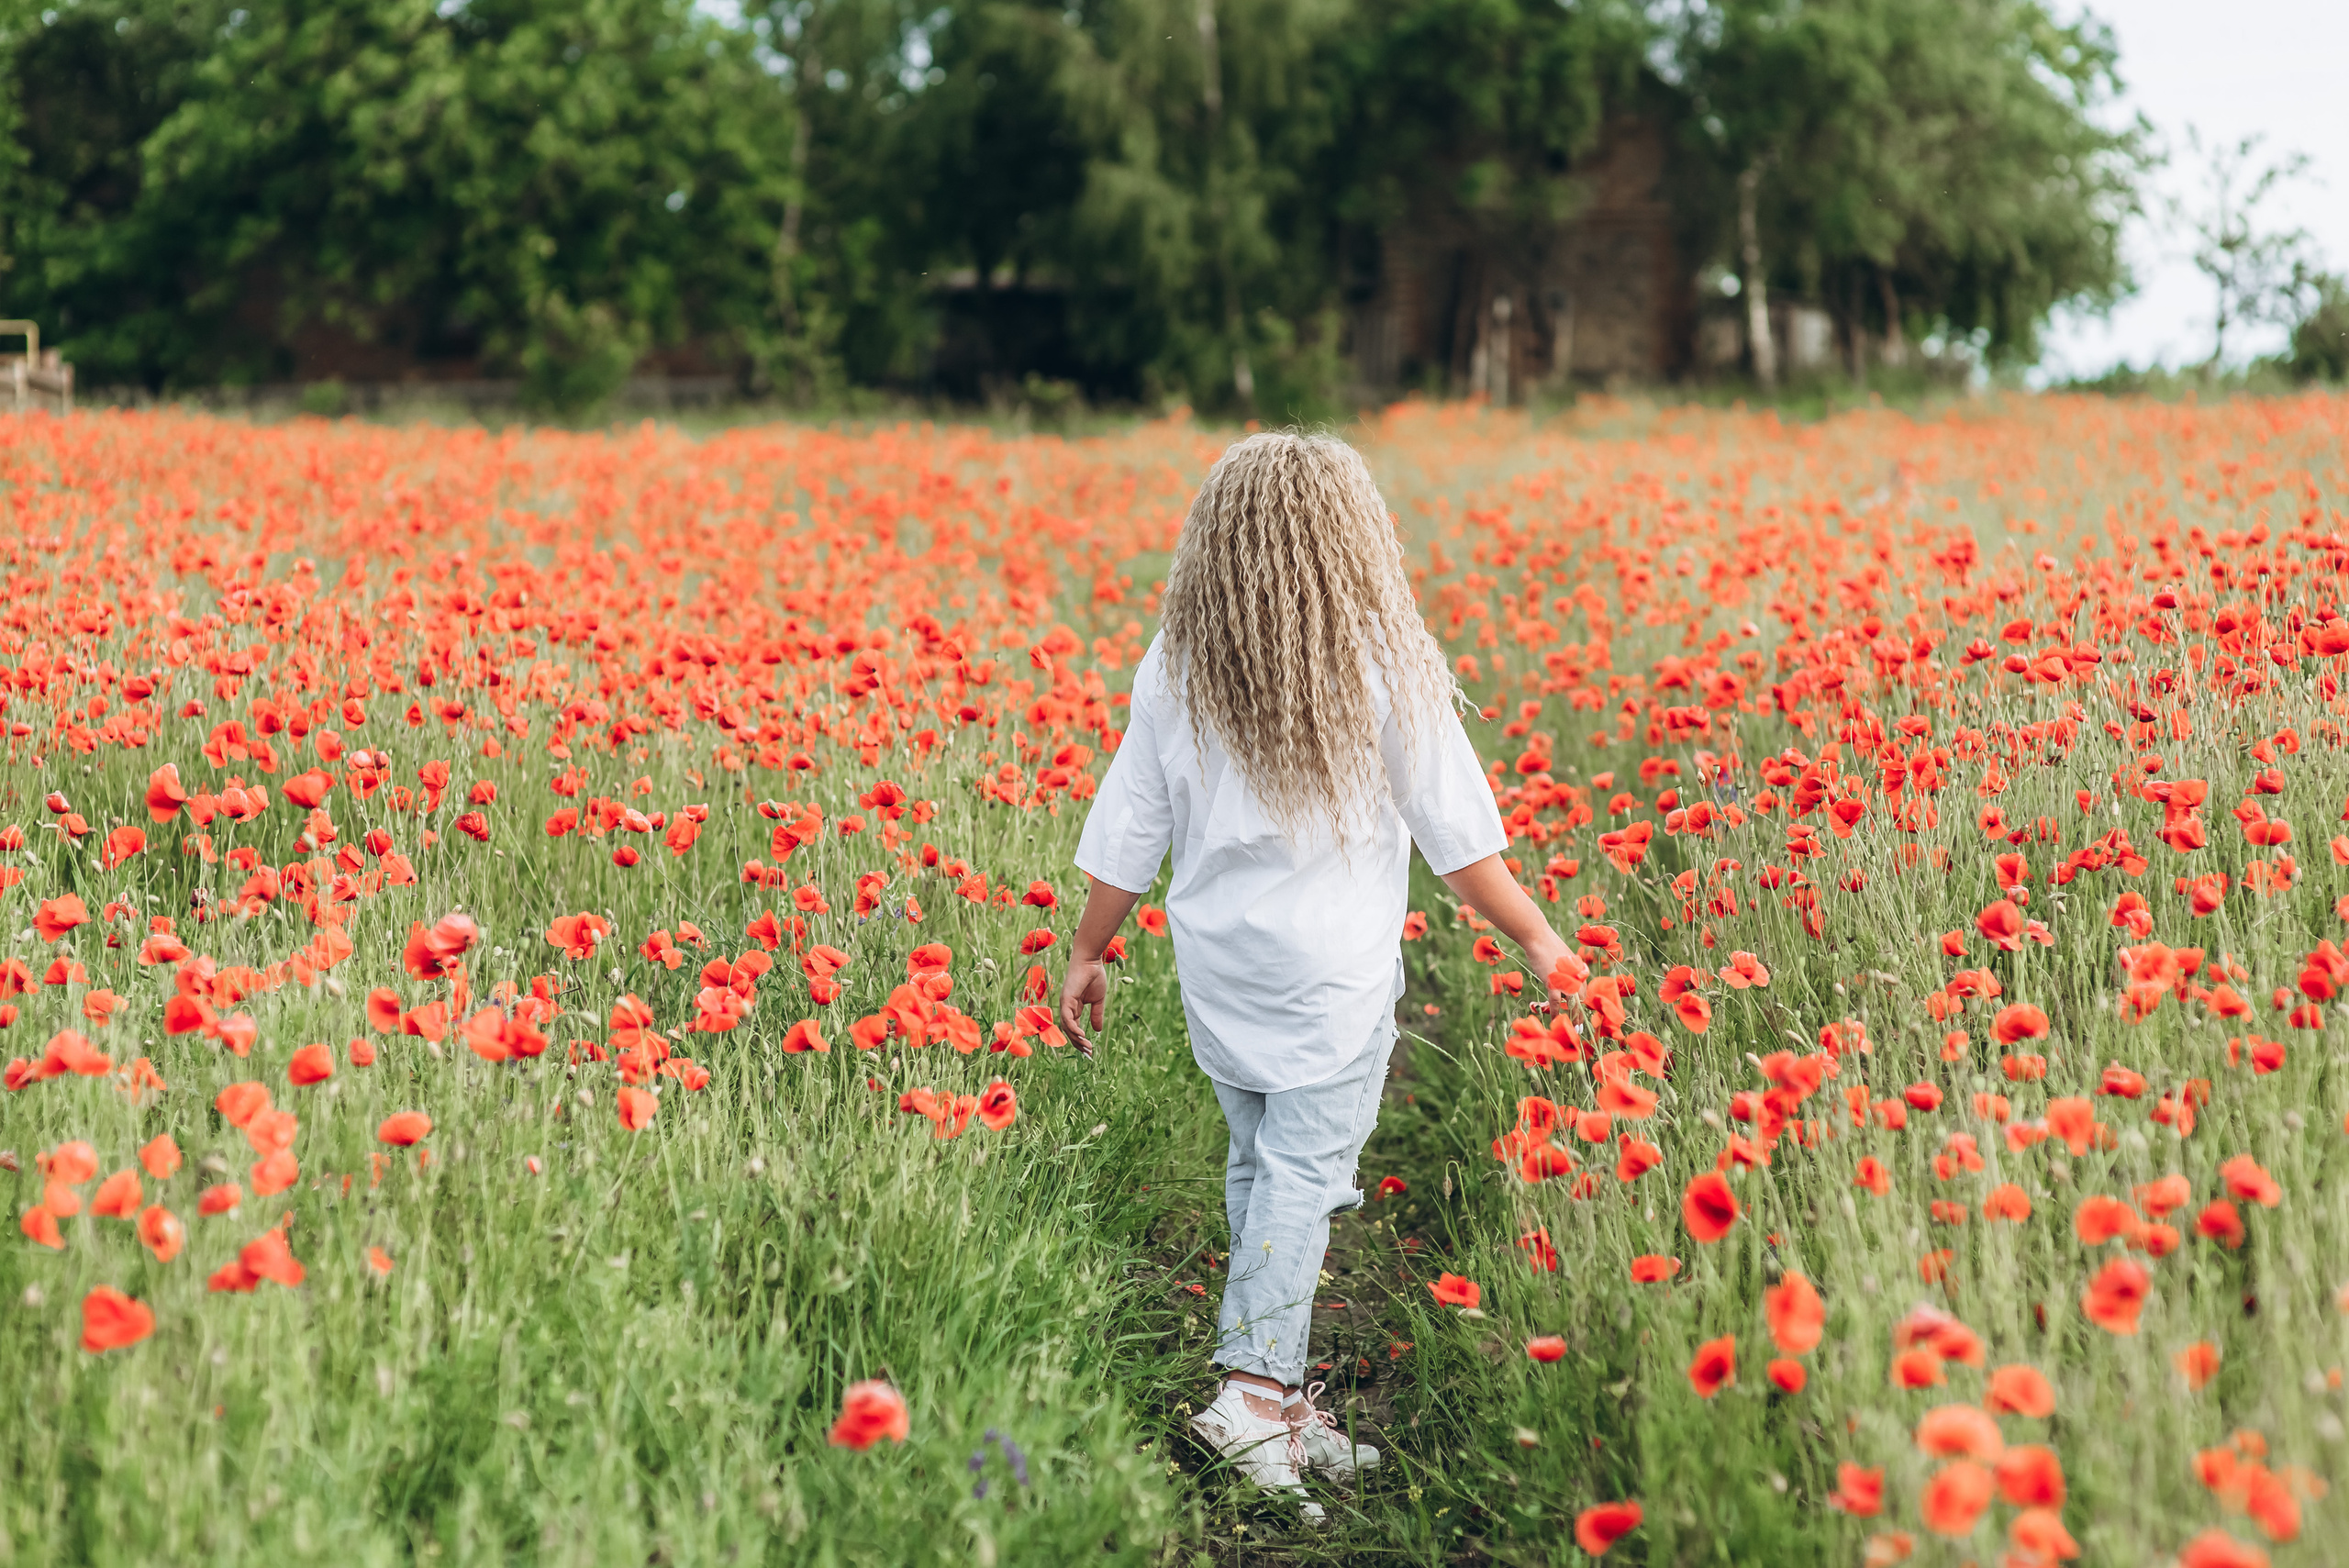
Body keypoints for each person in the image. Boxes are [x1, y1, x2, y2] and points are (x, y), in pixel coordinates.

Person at [1057, 431, 1574, 1520]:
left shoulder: (1179, 661)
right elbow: (1455, 831)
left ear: (1217, 539)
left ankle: (1282, 1397)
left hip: (1222, 969)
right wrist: (1537, 937)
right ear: (1350, 538)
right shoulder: (1380, 655)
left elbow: (1131, 824)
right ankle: (1250, 1395)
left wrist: (1087, 947)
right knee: (1302, 1177)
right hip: (1330, 976)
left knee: (1261, 1166)